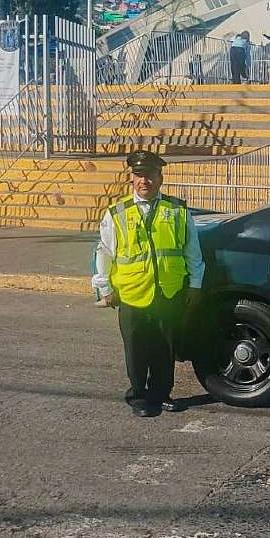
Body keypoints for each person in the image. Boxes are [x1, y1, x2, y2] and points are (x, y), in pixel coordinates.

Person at [92, 151, 205, 418]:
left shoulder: (177, 210)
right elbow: (104, 252)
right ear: (131, 179)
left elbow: (192, 251)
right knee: (136, 348)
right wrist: (105, 288)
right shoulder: (116, 213)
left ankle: (161, 393)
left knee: (165, 348)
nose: (146, 181)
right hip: (132, 293)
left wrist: (196, 285)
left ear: (160, 177)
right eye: (140, 176)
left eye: (151, 175)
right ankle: (139, 396)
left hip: (169, 290)